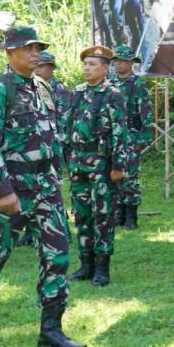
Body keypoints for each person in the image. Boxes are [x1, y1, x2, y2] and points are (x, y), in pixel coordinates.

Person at [0, 25, 86, 347]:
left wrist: (57, 176)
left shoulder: (42, 87)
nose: (35, 53)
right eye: (28, 48)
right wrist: (3, 190)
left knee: (57, 255)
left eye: (38, 48)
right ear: (10, 53)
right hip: (14, 188)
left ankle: (51, 329)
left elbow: (51, 136)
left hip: (46, 187)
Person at [65, 45, 128, 287]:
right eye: (85, 64)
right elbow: (68, 125)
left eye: (92, 65)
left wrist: (118, 165)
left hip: (101, 163)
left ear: (104, 68)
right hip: (78, 163)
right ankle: (85, 263)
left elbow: (120, 132)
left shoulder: (112, 94)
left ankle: (102, 267)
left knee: (102, 214)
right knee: (81, 214)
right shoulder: (78, 92)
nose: (87, 68)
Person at [111, 45, 153, 230]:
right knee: (115, 175)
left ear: (130, 63)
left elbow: (146, 114)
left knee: (130, 177)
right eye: (116, 61)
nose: (118, 64)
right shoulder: (109, 83)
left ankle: (131, 215)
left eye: (122, 61)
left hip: (131, 137)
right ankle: (119, 213)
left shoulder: (137, 85)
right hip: (113, 138)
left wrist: (143, 139)